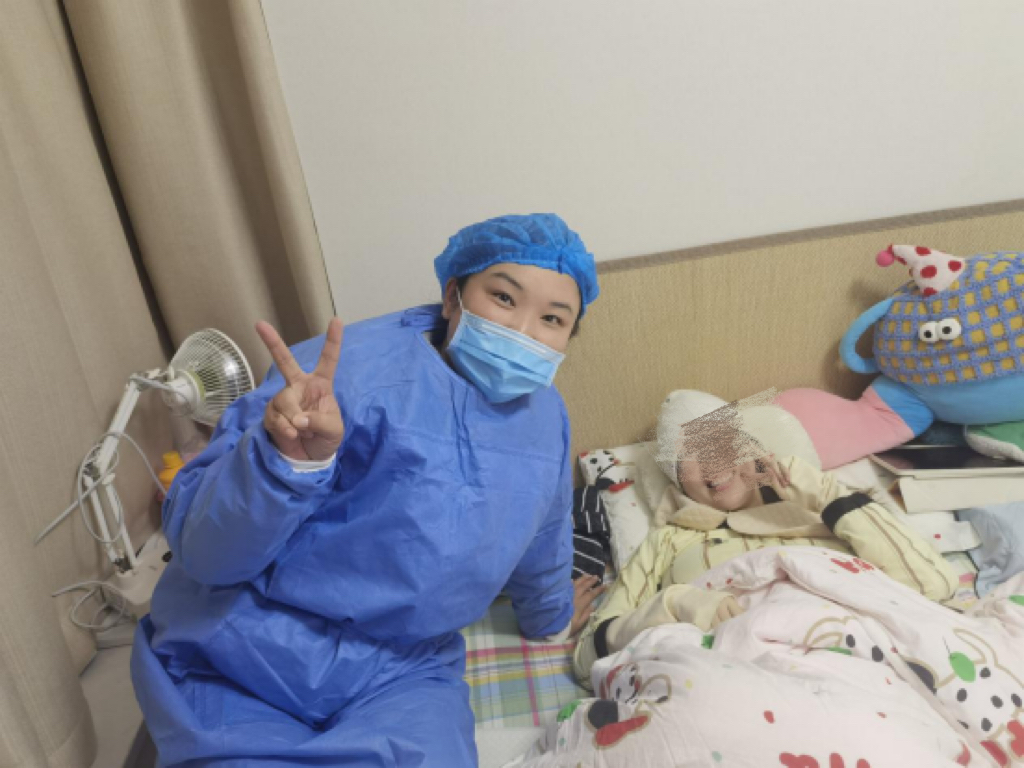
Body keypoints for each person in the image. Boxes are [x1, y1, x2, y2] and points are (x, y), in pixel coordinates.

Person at [131, 214, 606, 767]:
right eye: (503, 298)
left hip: (400, 671)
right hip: (244, 646)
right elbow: (206, 552)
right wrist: (285, 462)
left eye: (552, 318)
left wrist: (549, 616)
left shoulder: (546, 419)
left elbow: (543, 526)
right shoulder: (340, 375)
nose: (523, 331)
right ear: (453, 296)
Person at [573, 389, 958, 689]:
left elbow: (932, 585)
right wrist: (675, 604)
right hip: (736, 681)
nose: (711, 460)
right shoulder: (668, 542)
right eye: (688, 454)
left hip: (863, 665)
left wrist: (826, 495)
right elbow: (588, 661)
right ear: (677, 480)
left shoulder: (824, 510)